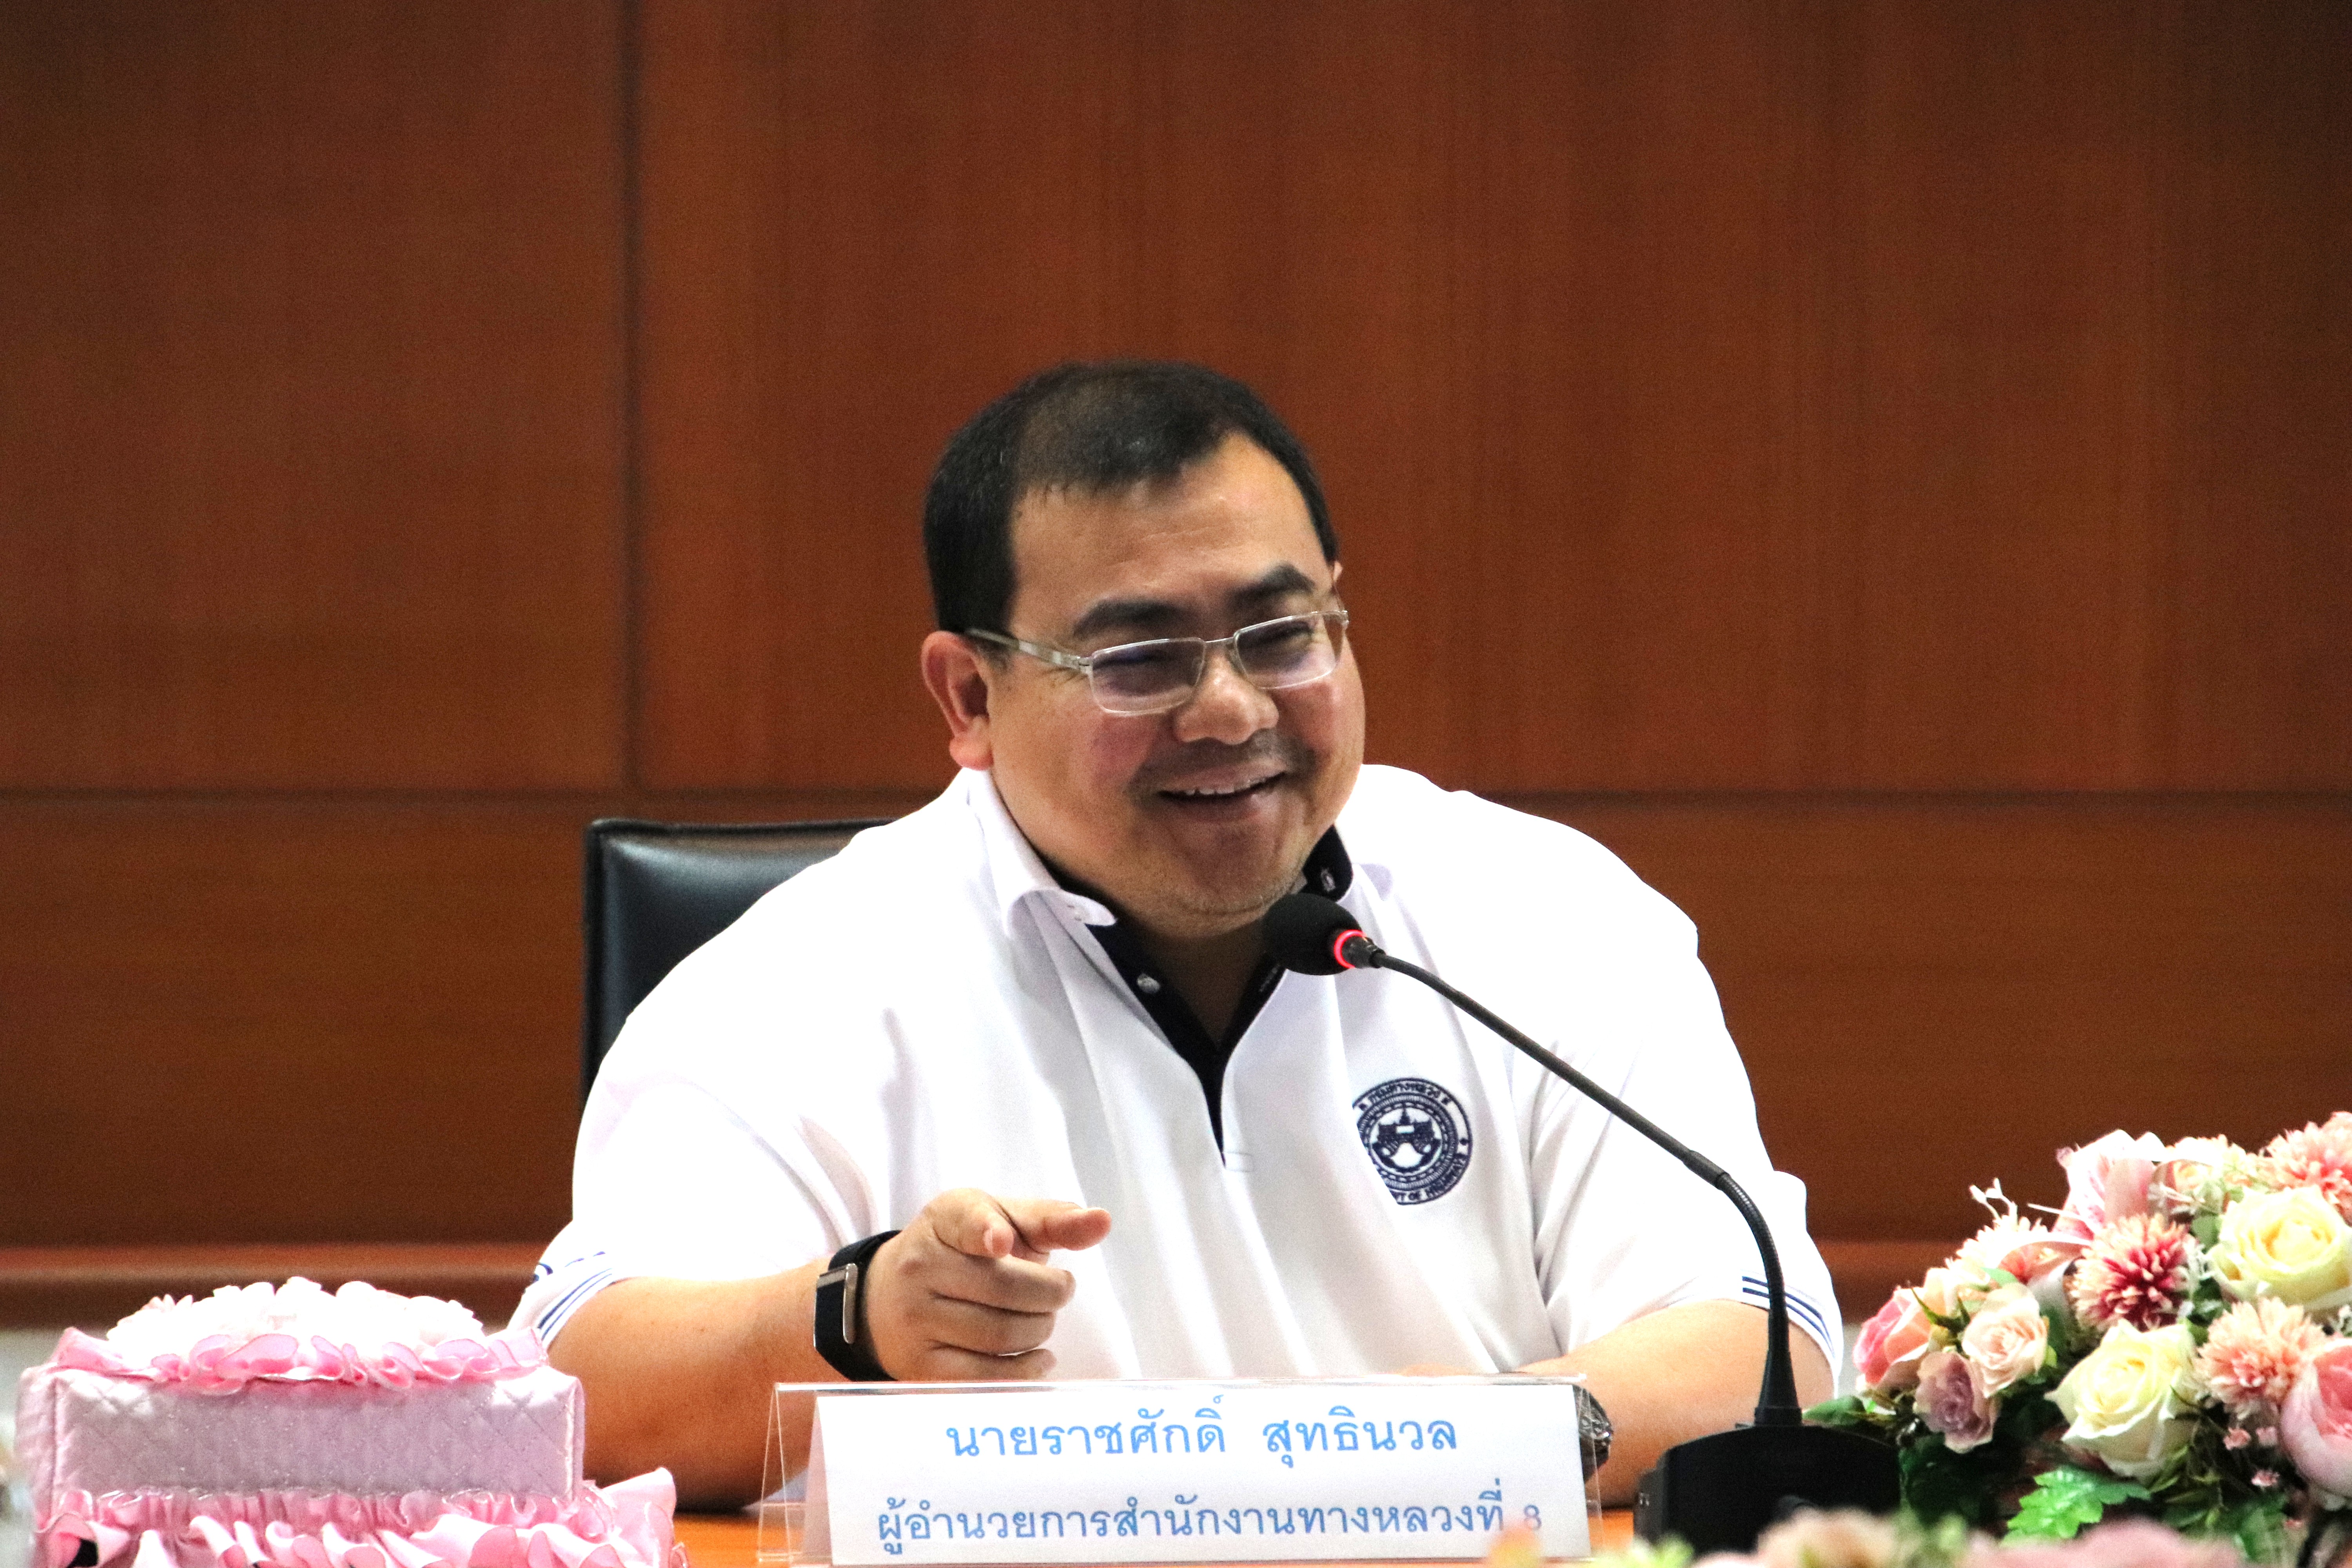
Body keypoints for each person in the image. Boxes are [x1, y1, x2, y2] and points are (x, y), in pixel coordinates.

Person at [518, 361, 1837, 1510]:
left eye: (1281, 636)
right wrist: (856, 1318)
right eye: (1141, 661)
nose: (1230, 711)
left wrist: (1499, 1435)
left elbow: (1763, 1343)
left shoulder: (1545, 914)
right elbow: (578, 1390)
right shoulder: (800, 981)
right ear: (969, 696)